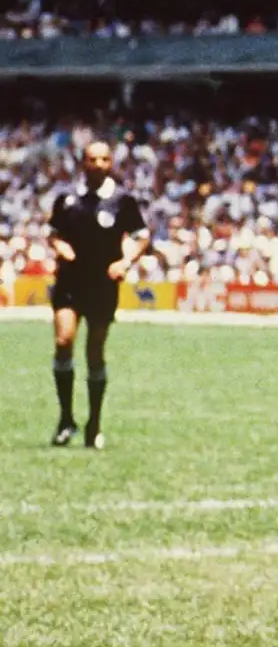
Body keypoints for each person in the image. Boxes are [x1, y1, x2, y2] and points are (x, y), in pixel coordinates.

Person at [47, 141, 150, 451]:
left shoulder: (121, 200)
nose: (99, 163)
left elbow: (141, 235)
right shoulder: (67, 199)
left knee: (95, 352)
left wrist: (126, 261)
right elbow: (53, 232)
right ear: (83, 163)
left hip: (102, 285)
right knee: (64, 341)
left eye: (105, 158)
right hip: (69, 281)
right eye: (93, 158)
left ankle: (94, 424)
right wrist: (58, 246)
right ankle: (66, 419)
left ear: (111, 163)